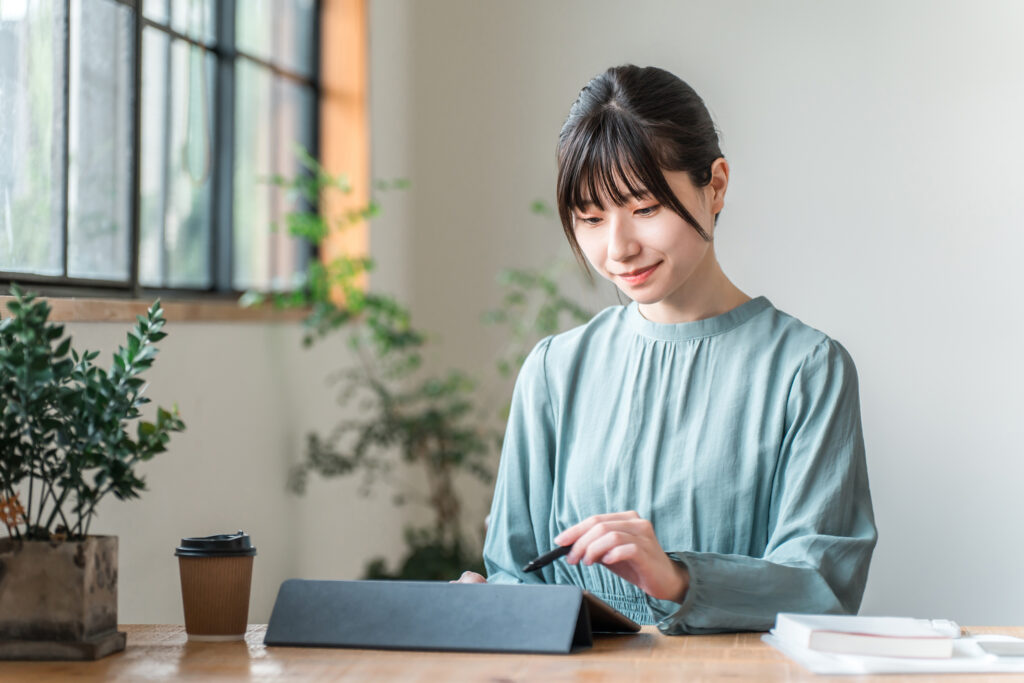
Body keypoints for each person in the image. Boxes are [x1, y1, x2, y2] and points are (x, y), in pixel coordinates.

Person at [454, 65, 877, 635]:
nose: (618, 248)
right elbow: (513, 570)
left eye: (646, 208)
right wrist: (491, 605)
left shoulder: (806, 369)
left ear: (717, 185)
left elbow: (822, 587)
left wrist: (677, 580)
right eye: (590, 217)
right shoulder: (556, 370)